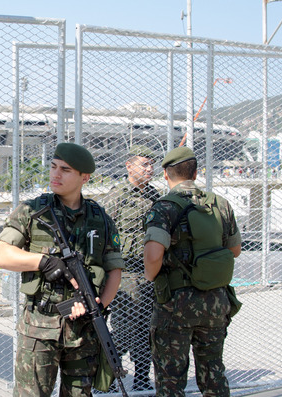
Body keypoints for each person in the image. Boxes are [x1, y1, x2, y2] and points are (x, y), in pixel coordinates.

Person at [0, 142, 124, 396]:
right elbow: (2, 255)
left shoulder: (101, 219)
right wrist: (42, 262)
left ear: (84, 177)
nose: (55, 174)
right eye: (53, 167)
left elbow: (114, 270)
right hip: (40, 328)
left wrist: (96, 308)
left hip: (84, 332)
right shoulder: (33, 210)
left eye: (65, 170)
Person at [143, 147, 242, 396]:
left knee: (170, 378)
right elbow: (235, 249)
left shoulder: (164, 207)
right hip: (216, 303)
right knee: (213, 371)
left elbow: (154, 255)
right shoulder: (220, 204)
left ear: (166, 175)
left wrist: (151, 276)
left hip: (176, 304)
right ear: (196, 173)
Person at [104, 144, 161, 392]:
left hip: (148, 275)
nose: (149, 169)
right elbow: (103, 234)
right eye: (144, 164)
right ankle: (107, 378)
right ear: (129, 166)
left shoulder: (155, 197)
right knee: (123, 330)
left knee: (145, 330)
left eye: (151, 164)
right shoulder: (116, 197)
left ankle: (141, 377)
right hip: (123, 274)